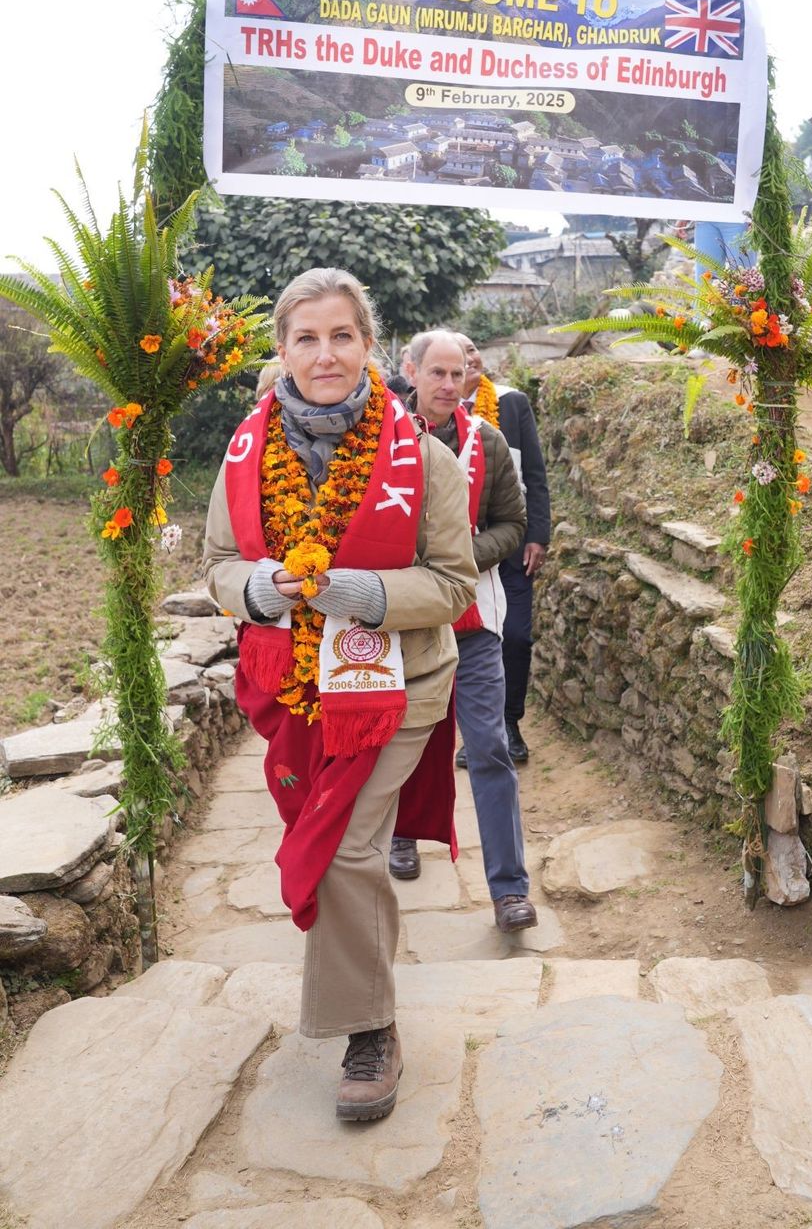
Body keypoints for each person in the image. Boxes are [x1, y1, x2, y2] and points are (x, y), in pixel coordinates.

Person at [202, 268, 477, 1124]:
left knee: (350, 845)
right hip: (291, 688)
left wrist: (364, 594)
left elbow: (454, 584)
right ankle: (362, 1000)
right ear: (283, 348)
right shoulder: (246, 453)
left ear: (370, 346)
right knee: (325, 837)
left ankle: (371, 1030)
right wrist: (261, 589)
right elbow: (216, 566)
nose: (326, 354)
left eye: (343, 336)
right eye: (307, 338)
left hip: (400, 690)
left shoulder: (422, 457)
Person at [388, 330, 537, 934]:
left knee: (489, 746)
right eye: (439, 374)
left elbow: (513, 521)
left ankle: (509, 890)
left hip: (474, 622)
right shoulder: (378, 443)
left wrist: (460, 558)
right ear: (412, 371)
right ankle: (400, 834)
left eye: (461, 375)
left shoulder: (489, 442)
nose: (450, 386)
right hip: (400, 623)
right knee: (398, 739)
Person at [455, 333, 550, 764]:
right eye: (459, 354)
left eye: (473, 349)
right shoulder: (429, 412)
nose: (470, 357)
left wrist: (538, 535)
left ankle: (510, 722)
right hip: (454, 553)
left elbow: (534, 470)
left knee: (514, 637)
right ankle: (471, 733)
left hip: (510, 545)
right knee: (460, 644)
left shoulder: (511, 404)